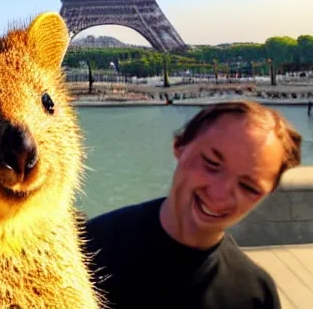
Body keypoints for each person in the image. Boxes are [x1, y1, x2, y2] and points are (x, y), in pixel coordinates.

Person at [84, 101, 302, 309]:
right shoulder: (83, 253)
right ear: (179, 145)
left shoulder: (255, 294)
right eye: (211, 164)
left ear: (266, 194)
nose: (219, 194)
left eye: (248, 187)